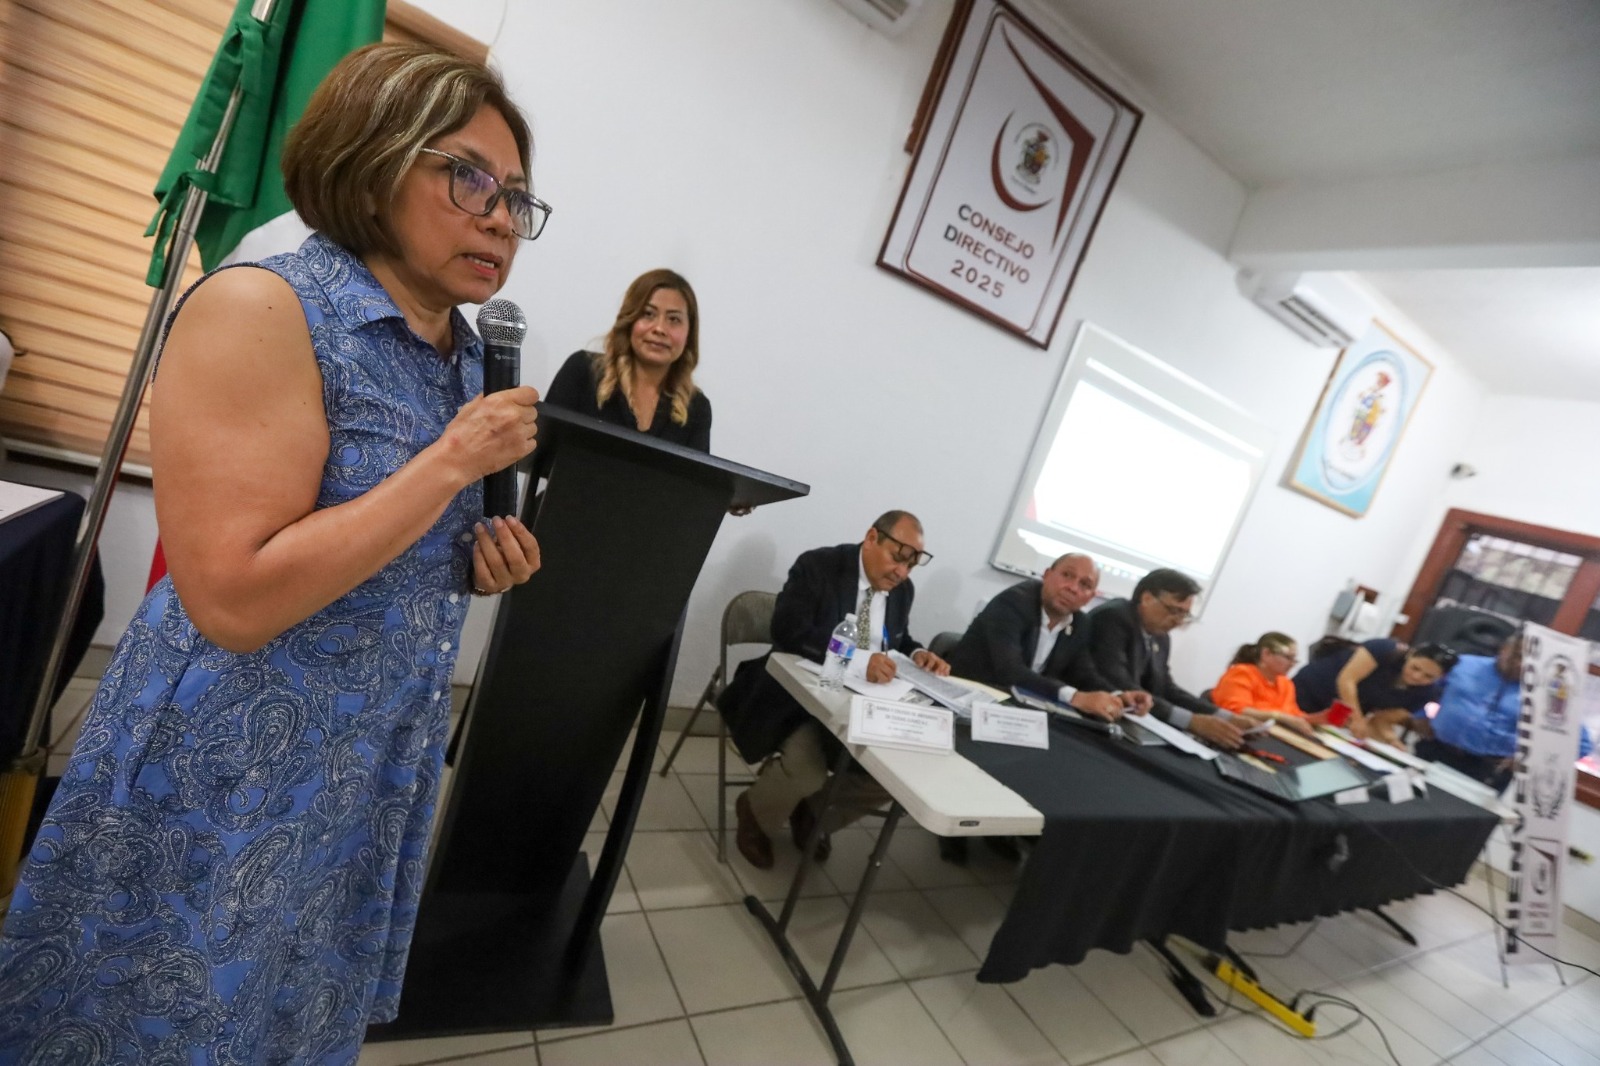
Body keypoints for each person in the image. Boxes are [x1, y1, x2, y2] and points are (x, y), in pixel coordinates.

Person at [0, 44, 546, 1063]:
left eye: (517, 196)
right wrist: (449, 464)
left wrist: (474, 559)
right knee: (148, 1023)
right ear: (372, 163)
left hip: (362, 770)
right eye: (470, 178)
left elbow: (389, 541)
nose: (502, 217)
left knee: (278, 1022)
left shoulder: (468, 355)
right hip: (227, 771)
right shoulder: (263, 306)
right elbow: (234, 599)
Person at [719, 511, 950, 869]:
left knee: (891, 777)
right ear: (871, 538)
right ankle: (755, 812)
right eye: (897, 558)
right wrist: (856, 660)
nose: (901, 573)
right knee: (807, 770)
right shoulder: (819, 566)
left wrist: (918, 653)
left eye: (910, 566)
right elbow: (789, 631)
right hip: (797, 699)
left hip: (861, 705)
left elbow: (895, 639)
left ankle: (813, 813)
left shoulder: (902, 591)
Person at [947, 553, 1139, 720]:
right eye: (1067, 575)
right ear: (1047, 575)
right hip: (967, 699)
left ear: (1090, 597)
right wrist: (1074, 697)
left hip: (1018, 709)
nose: (1073, 588)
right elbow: (1009, 670)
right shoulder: (1013, 602)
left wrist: (1118, 696)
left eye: (1084, 584)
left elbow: (1082, 672)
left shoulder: (1080, 623)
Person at [543, 268, 711, 451]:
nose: (660, 329)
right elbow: (541, 451)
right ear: (629, 319)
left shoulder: (697, 408)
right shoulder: (582, 371)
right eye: (648, 314)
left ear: (689, 333)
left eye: (674, 319)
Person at [1086, 569, 1250, 749]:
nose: (1178, 621)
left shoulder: (1161, 637)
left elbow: (1165, 688)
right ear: (1147, 598)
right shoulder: (1113, 618)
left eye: (1184, 615)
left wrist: (1225, 716)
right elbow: (1118, 682)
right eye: (1174, 610)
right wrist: (1191, 721)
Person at [1415, 635, 1592, 792]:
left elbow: (1580, 744)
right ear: (1503, 649)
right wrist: (1419, 715)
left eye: (1531, 660)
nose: (1521, 663)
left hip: (1485, 770)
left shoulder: (1546, 695)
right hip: (1434, 751)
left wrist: (1532, 760)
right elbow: (1420, 688)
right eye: (1517, 655)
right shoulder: (1463, 665)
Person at [1293, 638, 1457, 745]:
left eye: (1428, 676)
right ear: (1410, 655)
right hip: (1311, 689)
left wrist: (1391, 740)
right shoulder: (1384, 649)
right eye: (1415, 668)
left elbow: (1382, 720)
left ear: (1440, 677)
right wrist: (1357, 719)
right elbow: (1347, 680)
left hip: (1339, 710)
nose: (1417, 677)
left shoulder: (1427, 693)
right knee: (1291, 728)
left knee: (1316, 741)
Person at [1211, 631, 1316, 735]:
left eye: (1294, 659)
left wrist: (1316, 719)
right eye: (1288, 658)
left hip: (1271, 735)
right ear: (1266, 654)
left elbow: (1293, 714)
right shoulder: (1242, 673)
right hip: (1239, 733)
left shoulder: (1285, 683)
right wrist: (1279, 717)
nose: (1292, 664)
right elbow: (1236, 711)